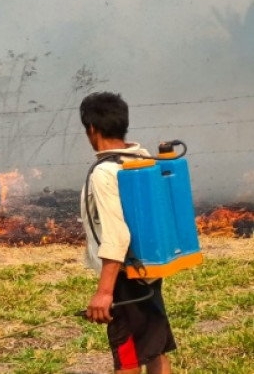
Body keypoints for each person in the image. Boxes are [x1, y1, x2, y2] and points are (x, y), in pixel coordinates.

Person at [79, 92, 176, 374]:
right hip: (149, 271)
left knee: (128, 359)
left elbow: (117, 235)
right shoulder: (142, 159)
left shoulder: (104, 172)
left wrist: (104, 292)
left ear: (92, 129)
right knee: (154, 349)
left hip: (125, 277)